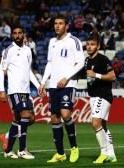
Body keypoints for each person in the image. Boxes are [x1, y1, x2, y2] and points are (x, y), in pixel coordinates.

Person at [38, 15, 85, 163]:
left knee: (66, 115)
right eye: (55, 23)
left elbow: (81, 62)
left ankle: (74, 148)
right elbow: (50, 63)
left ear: (67, 26)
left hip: (68, 84)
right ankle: (60, 153)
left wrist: (66, 78)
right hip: (53, 85)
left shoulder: (74, 41)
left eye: (60, 23)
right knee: (54, 118)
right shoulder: (52, 42)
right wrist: (43, 82)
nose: (57, 26)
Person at [0, 25, 43, 159]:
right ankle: (22, 149)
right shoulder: (9, 50)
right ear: (13, 35)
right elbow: (1, 70)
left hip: (26, 91)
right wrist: (1, 90)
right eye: (15, 33)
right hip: (15, 90)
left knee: (27, 119)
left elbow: (28, 71)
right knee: (25, 115)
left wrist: (39, 85)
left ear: (23, 35)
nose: (17, 35)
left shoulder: (28, 50)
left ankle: (8, 149)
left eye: (19, 33)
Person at [85, 33, 117, 163]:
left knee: (95, 123)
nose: (89, 47)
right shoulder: (87, 60)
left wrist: (96, 75)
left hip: (103, 95)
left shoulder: (103, 59)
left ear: (98, 46)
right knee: (102, 124)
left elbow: (112, 76)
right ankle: (112, 154)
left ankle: (104, 152)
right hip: (93, 96)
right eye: (88, 44)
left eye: (92, 44)